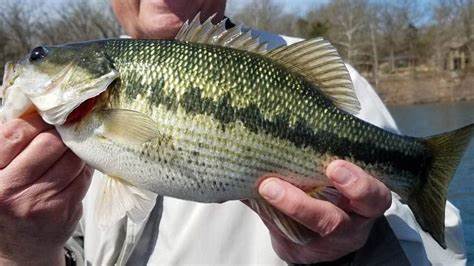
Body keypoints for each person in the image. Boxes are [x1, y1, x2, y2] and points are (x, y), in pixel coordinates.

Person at [0, 0, 467, 265]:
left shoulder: (317, 77)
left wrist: (356, 253)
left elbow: (441, 256)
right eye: (40, 55)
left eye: (41, 58)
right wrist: (22, 249)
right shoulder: (34, 129)